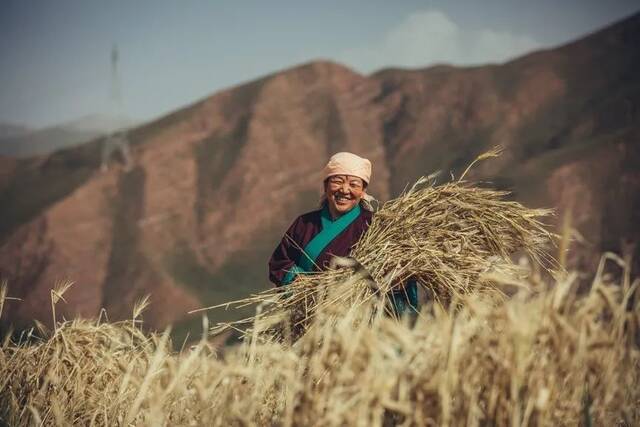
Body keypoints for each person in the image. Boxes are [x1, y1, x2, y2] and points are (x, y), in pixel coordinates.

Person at [268, 152, 418, 316]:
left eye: (354, 184)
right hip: (308, 318)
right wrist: (300, 283)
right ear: (325, 186)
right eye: (337, 182)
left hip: (358, 321)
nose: (345, 190)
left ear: (362, 191)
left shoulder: (375, 226)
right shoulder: (304, 224)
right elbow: (279, 262)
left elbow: (396, 275)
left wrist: (397, 279)